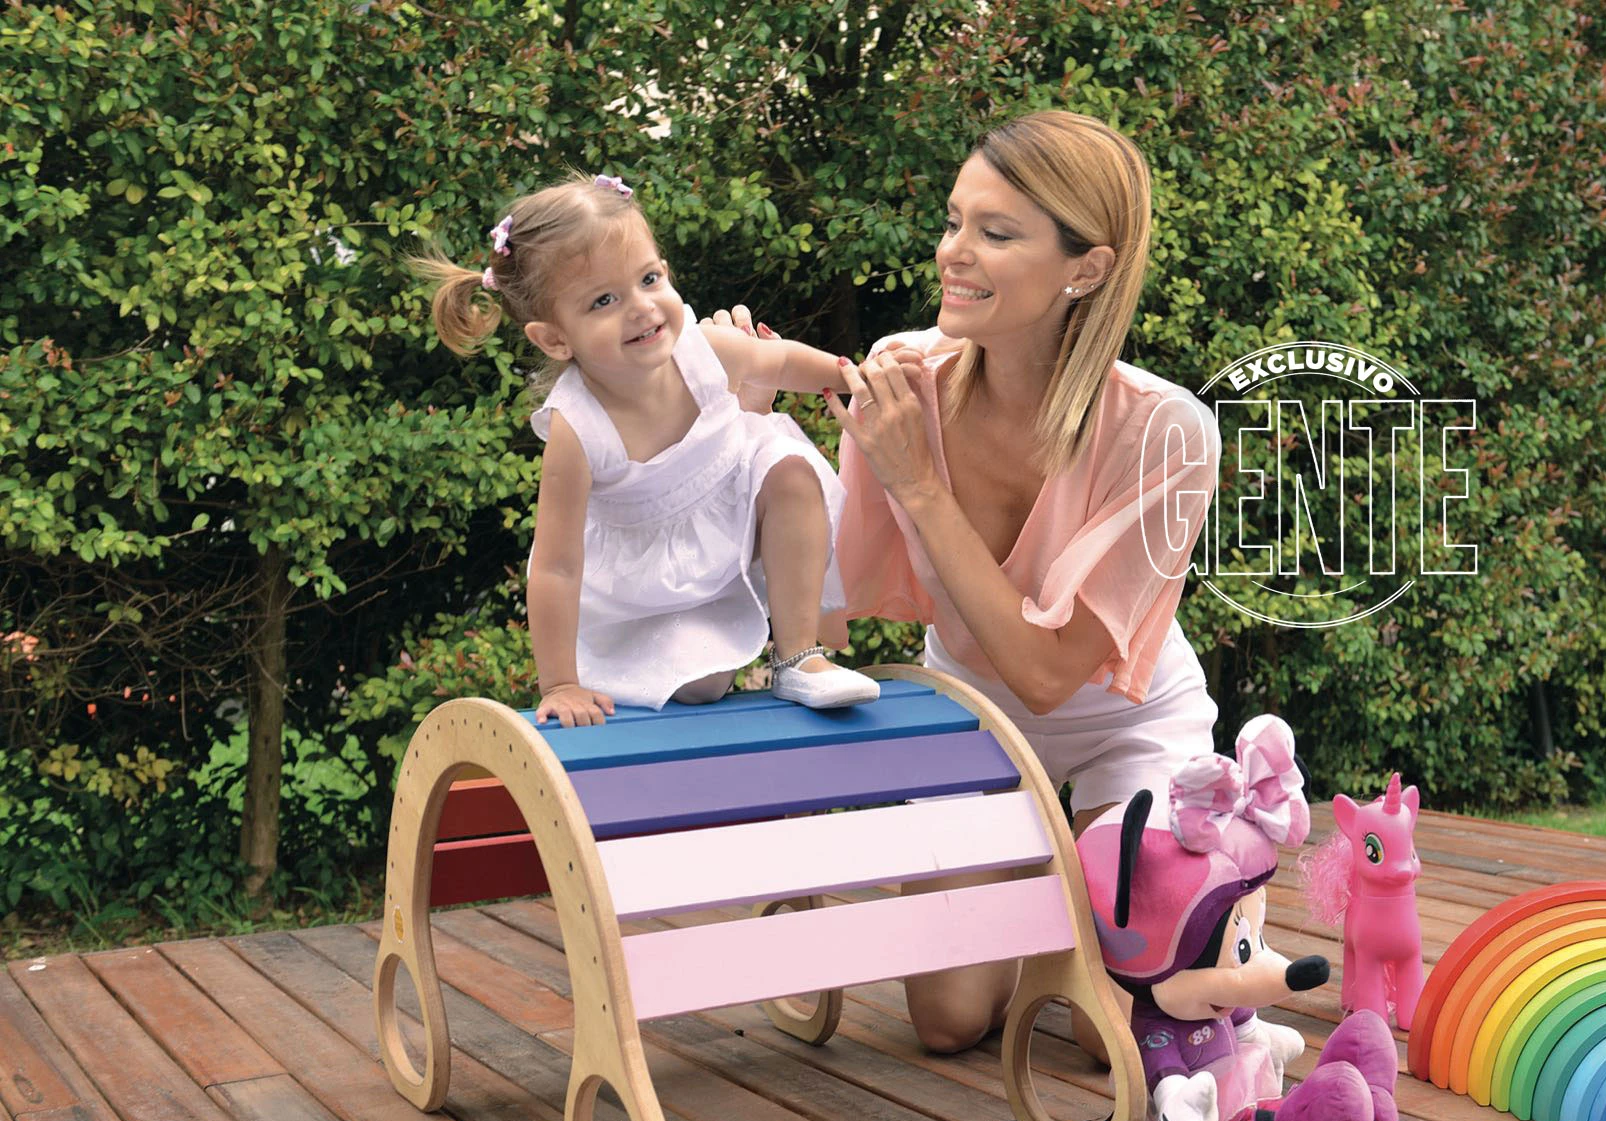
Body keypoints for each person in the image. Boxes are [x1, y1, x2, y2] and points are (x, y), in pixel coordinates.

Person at [713, 111, 1221, 1054]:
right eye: (954, 221)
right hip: (974, 715)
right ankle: (1080, 911)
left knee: (1118, 1023)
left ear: (1086, 268)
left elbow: (1050, 674)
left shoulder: (1168, 432)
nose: (954, 251)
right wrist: (743, 410)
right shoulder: (907, 377)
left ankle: (1164, 902)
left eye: (996, 233)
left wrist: (918, 483)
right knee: (948, 1021)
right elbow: (811, 596)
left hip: (1127, 721)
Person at [415, 172, 892, 725]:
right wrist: (560, 684)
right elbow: (556, 567)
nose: (641, 307)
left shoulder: (700, 349)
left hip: (736, 507)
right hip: (651, 578)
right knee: (702, 687)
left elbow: (779, 361)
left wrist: (853, 378)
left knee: (788, 468)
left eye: (649, 278)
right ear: (555, 338)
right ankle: (700, 650)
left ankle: (799, 657)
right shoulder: (578, 429)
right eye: (603, 300)